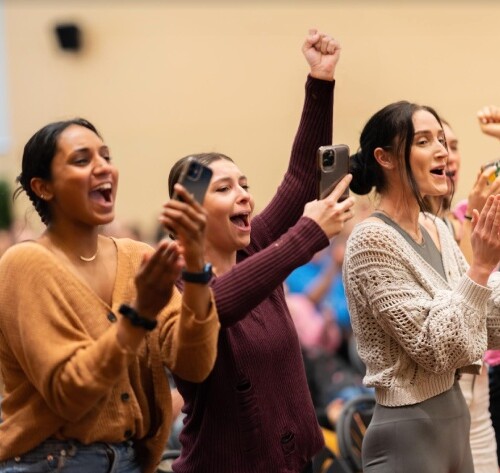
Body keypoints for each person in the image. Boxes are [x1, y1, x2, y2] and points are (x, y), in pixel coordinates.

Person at [164, 29, 355, 473]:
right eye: (225, 188)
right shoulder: (180, 279)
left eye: (246, 186)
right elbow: (217, 304)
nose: (245, 197)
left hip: (297, 459)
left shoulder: (255, 247)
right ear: (191, 208)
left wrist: (320, 82)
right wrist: (309, 234)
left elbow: (299, 180)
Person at [0, 118, 220, 473]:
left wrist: (195, 269)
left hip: (130, 460)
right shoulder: (24, 264)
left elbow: (194, 365)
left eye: (106, 156)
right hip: (50, 461)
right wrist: (139, 313)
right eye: (82, 160)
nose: (103, 167)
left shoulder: (137, 257)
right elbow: (71, 394)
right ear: (43, 187)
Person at [343, 100, 500, 473]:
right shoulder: (371, 241)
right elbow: (437, 349)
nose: (442, 151)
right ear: (386, 158)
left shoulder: (439, 228)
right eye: (425, 141)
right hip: (407, 430)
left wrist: (490, 265)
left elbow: (490, 328)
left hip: (456, 420)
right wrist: (480, 267)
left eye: (442, 141)